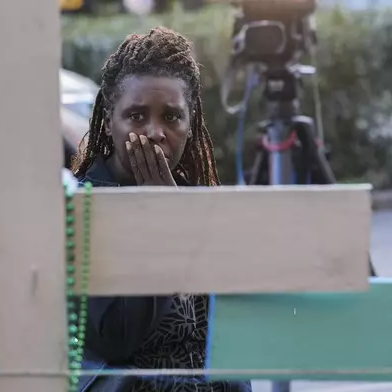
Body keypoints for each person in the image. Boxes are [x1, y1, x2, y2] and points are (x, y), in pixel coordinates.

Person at [72, 27, 252, 392]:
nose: (154, 132)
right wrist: (160, 218)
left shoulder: (200, 202)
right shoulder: (82, 207)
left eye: (171, 117)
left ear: (190, 123)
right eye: (136, 116)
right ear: (109, 121)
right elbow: (118, 339)